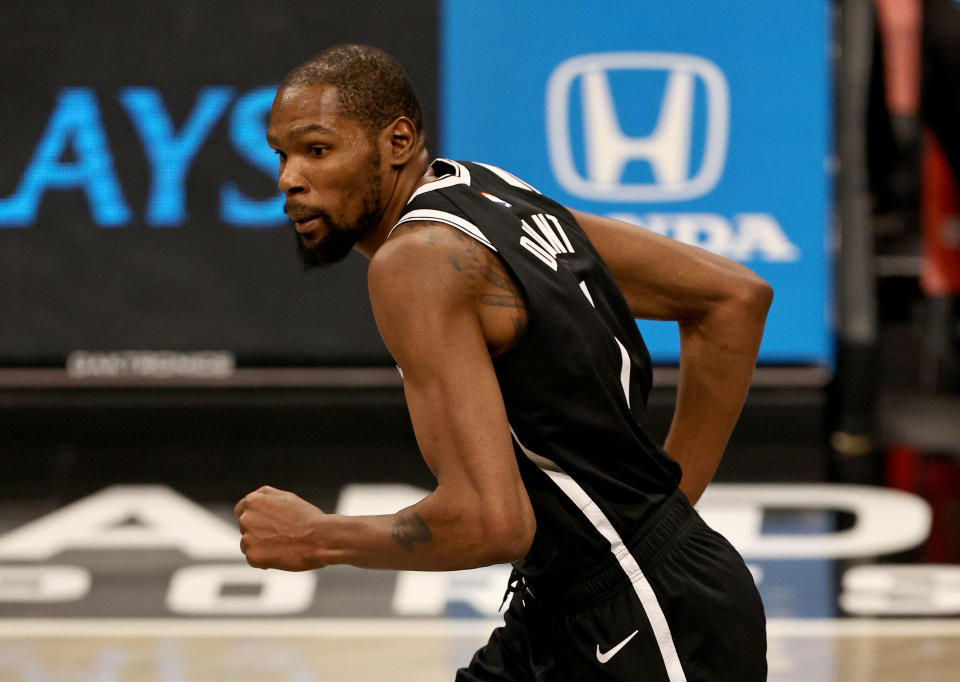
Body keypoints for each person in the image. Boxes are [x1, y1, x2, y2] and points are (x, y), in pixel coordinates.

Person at [234, 44, 771, 681]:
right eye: (281, 154)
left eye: (317, 150)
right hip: (572, 605)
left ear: (399, 140)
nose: (288, 178)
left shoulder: (414, 263)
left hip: (646, 621)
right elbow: (733, 296)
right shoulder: (492, 192)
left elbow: (491, 524)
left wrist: (318, 537)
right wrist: (668, 511)